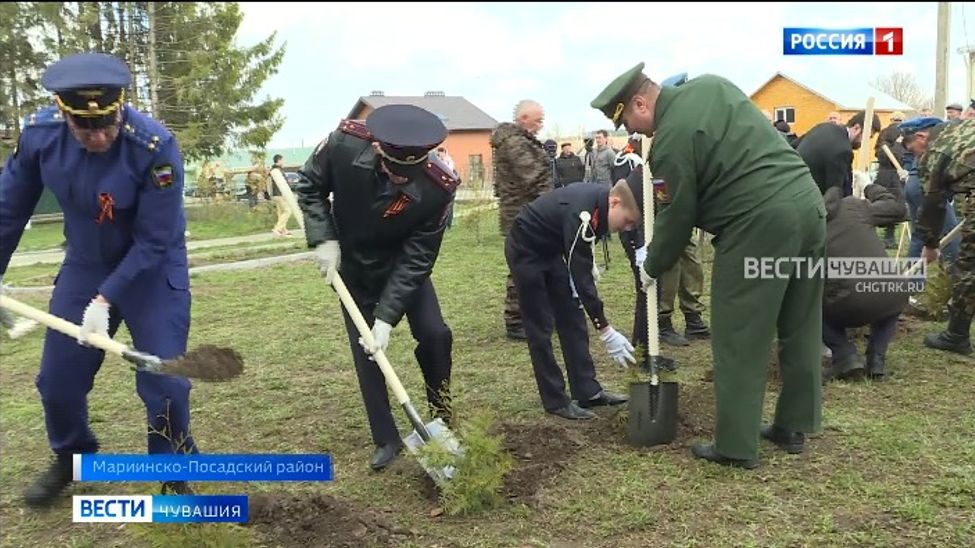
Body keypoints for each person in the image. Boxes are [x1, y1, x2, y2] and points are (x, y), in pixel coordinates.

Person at [592, 63, 826, 468]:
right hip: (809, 207)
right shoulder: (713, 86)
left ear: (641, 103)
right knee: (800, 322)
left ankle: (735, 445)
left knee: (739, 335)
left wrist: (652, 263)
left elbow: (678, 214)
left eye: (628, 121)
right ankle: (794, 424)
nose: (634, 132)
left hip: (758, 225)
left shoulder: (669, 141)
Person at [0, 52, 198, 507]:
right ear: (64, 113)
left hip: (152, 271)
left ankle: (172, 475)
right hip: (85, 266)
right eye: (84, 127)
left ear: (120, 108)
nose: (98, 136)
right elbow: (8, 210)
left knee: (165, 381)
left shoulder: (154, 146)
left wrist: (106, 299)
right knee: (57, 381)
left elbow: (154, 240)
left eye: (106, 124)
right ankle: (72, 456)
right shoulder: (41, 137)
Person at [294, 104, 460, 471]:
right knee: (367, 351)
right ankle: (386, 438)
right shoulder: (344, 144)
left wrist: (386, 317)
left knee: (435, 334)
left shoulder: (439, 186)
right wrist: (324, 239)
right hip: (351, 264)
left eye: (408, 176)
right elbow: (309, 185)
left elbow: (419, 257)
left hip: (403, 265)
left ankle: (442, 416)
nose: (400, 180)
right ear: (378, 149)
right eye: (394, 171)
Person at [505, 179, 637, 420]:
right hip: (526, 248)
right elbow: (582, 277)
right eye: (627, 221)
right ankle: (555, 400)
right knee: (540, 327)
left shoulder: (600, 205)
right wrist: (606, 330)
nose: (627, 228)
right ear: (614, 202)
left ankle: (587, 390)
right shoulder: (582, 214)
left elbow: (581, 254)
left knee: (572, 316)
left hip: (552, 250)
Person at [821, 184, 910, 381]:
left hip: (849, 301)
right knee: (888, 298)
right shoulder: (853, 207)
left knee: (807, 307)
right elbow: (896, 208)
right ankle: (876, 359)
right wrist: (872, 187)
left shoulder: (806, 221)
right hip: (893, 293)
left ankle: (845, 356)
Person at [491, 99, 554, 340]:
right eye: (538, 120)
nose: (540, 125)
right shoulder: (514, 143)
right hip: (523, 214)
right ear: (524, 118)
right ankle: (516, 320)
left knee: (536, 264)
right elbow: (534, 177)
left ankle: (534, 314)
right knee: (522, 268)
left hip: (527, 212)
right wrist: (554, 204)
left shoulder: (518, 141)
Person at [913, 118, 974, 356]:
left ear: (921, 138)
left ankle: (956, 336)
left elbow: (932, 203)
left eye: (912, 149)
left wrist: (930, 244)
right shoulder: (963, 129)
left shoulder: (936, 151)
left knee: (969, 266)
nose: (916, 156)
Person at [796, 110, 881, 196]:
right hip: (809, 195)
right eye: (868, 137)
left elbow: (794, 144)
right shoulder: (843, 150)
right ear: (857, 128)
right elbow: (835, 192)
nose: (865, 143)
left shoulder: (823, 127)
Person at [873, 111, 909, 248]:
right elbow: (895, 156)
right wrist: (898, 145)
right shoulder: (904, 133)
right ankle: (889, 238)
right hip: (897, 175)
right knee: (897, 206)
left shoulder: (884, 133)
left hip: (885, 175)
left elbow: (879, 154)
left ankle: (885, 237)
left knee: (882, 203)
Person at [268, 154, 295, 236]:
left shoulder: (273, 170)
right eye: (282, 160)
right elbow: (282, 182)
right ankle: (277, 229)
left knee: (281, 212)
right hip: (280, 193)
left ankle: (283, 230)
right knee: (287, 211)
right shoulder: (277, 170)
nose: (283, 162)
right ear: (279, 160)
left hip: (276, 194)